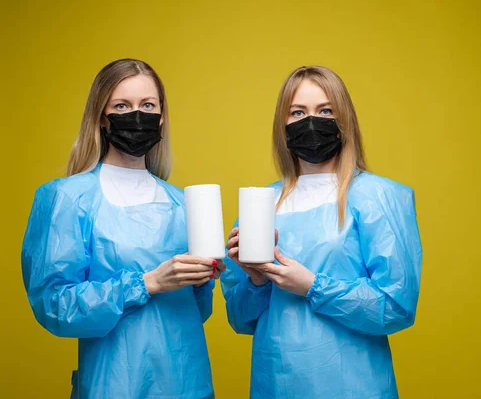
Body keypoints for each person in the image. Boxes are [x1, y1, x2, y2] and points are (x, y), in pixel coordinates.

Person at [21, 59, 223, 399]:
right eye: (122, 106)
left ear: (161, 116)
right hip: (113, 383)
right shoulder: (67, 198)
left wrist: (207, 275)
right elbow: (54, 306)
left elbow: (197, 311)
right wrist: (147, 283)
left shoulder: (182, 204)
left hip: (188, 381)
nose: (137, 116)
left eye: (147, 105)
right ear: (102, 116)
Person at [222, 65, 422, 398]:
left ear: (345, 120)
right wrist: (256, 280)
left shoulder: (378, 197)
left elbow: (396, 307)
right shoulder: (262, 204)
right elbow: (241, 321)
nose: (311, 122)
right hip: (276, 381)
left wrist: (313, 286)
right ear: (283, 126)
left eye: (325, 111)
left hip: (355, 384)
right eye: (297, 112)